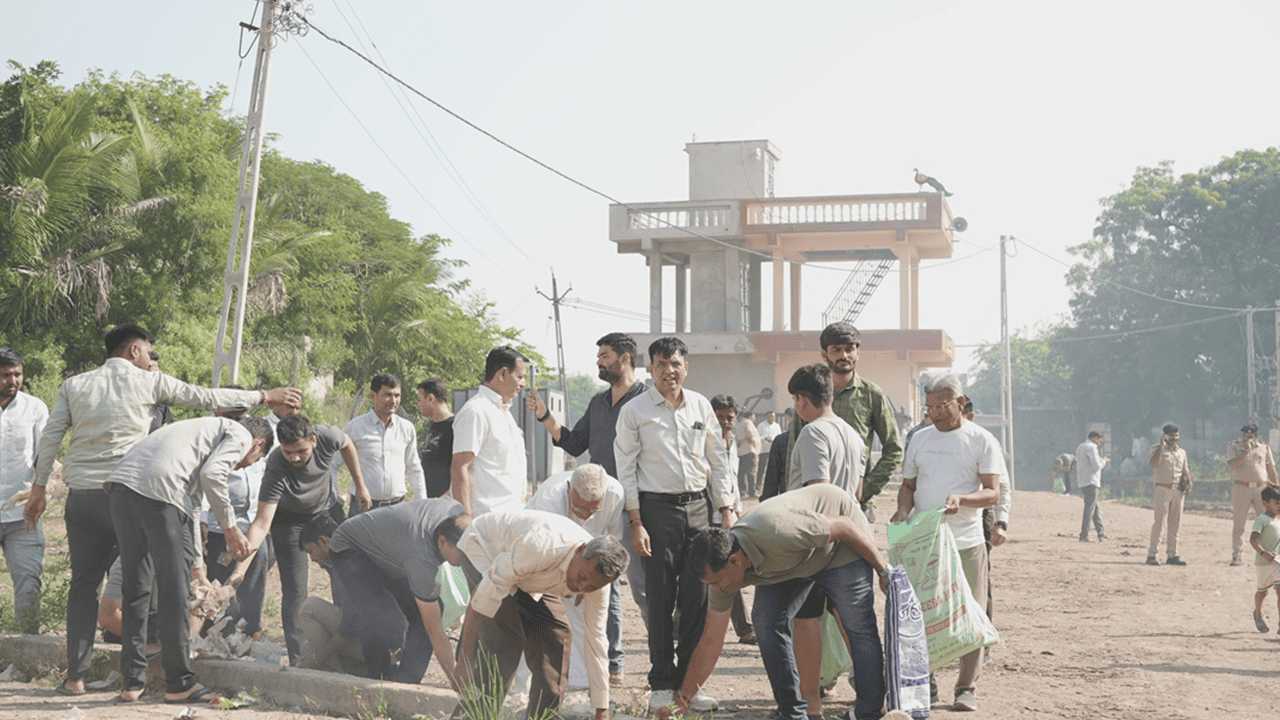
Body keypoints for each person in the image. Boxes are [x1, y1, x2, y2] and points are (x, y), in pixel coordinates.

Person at [25, 323, 299, 696]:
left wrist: (39, 488)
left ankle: (79, 677)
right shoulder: (152, 385)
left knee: (86, 584)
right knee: (164, 585)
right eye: (149, 352)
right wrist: (265, 395)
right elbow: (203, 395)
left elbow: (52, 435)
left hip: (86, 496)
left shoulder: (75, 385)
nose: (151, 359)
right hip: (142, 492)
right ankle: (175, 678)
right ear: (134, 352)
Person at [678, 484, 889, 720]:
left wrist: (883, 571)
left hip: (840, 545)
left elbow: (845, 526)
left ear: (735, 562)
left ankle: (871, 711)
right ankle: (792, 712)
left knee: (857, 623)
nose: (715, 589)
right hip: (795, 560)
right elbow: (711, 640)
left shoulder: (777, 532)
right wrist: (684, 698)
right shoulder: (720, 571)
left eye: (716, 582)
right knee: (766, 621)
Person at [104, 415, 273, 704]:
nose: (243, 465)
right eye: (251, 460)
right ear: (258, 444)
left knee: (136, 590)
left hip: (122, 490)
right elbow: (212, 476)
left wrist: (197, 568)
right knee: (175, 592)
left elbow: (193, 509)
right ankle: (179, 682)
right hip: (159, 496)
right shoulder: (240, 434)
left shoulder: (196, 434)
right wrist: (230, 527)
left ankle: (131, 684)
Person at [614, 336, 735, 713]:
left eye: (676, 363)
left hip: (699, 509)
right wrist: (636, 522)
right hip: (656, 512)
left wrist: (726, 508)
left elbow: (717, 460)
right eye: (662, 363)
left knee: (697, 598)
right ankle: (662, 684)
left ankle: (690, 684)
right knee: (661, 598)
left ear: (687, 367)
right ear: (650, 369)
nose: (670, 370)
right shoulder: (634, 411)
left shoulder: (700, 405)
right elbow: (627, 470)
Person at [440, 510, 627, 720]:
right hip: (485, 549)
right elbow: (480, 599)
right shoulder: (542, 547)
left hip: (530, 573)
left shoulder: (598, 582)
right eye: (582, 577)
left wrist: (601, 709)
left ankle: (542, 717)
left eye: (590, 586)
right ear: (581, 549)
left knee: (557, 635)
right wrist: (465, 658)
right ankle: (472, 716)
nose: (581, 587)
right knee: (506, 637)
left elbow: (596, 640)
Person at [525, 332, 649, 635]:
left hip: (635, 505)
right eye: (598, 357)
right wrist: (544, 415)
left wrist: (637, 520)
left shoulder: (646, 401)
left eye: (604, 356)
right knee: (601, 578)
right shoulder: (598, 402)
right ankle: (612, 659)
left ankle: (663, 659)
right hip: (595, 505)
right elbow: (574, 443)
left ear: (625, 359)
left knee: (643, 588)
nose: (599, 362)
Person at [891, 373, 1001, 712]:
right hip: (924, 542)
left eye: (941, 406)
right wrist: (902, 511)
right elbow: (908, 485)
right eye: (929, 408)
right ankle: (928, 683)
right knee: (921, 615)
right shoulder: (920, 440)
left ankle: (966, 688)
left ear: (961, 403)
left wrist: (962, 500)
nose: (935, 414)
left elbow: (993, 492)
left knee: (971, 614)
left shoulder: (982, 440)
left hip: (966, 543)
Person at [297, 498, 467, 686]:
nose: (466, 559)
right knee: (374, 615)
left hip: (390, 553)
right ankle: (378, 682)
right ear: (442, 542)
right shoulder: (420, 558)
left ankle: (405, 681)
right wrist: (456, 678)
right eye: (461, 555)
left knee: (429, 609)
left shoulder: (457, 515)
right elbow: (433, 629)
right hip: (353, 547)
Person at [244, 413, 371, 664]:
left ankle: (351, 644)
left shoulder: (327, 436)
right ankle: (300, 658)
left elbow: (347, 444)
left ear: (313, 440)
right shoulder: (276, 465)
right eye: (289, 452)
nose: (295, 458)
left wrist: (360, 484)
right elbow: (262, 521)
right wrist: (242, 564)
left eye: (300, 451)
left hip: (324, 510)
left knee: (348, 571)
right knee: (295, 589)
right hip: (288, 520)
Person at [785, 363, 869, 714]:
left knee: (805, 621)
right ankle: (872, 699)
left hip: (818, 543)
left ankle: (812, 703)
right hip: (849, 539)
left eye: (795, 400)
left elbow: (817, 495)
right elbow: (858, 492)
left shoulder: (813, 433)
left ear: (803, 400)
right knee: (855, 627)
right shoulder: (853, 435)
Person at [526, 464, 627, 686]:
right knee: (538, 618)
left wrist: (587, 583)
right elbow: (545, 549)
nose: (585, 515)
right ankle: (523, 687)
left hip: (590, 561)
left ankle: (581, 684)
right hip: (543, 557)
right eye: (579, 508)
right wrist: (572, 583)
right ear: (569, 489)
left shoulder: (615, 493)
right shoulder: (550, 497)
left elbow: (613, 540)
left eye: (593, 510)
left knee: (587, 621)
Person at [791, 322, 902, 521]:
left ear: (858, 352)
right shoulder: (808, 394)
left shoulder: (871, 394)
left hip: (857, 507)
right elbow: (794, 447)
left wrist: (864, 490)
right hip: (813, 505)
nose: (844, 356)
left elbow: (894, 449)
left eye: (850, 349)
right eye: (837, 350)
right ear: (824, 354)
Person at [202, 399, 273, 639]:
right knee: (212, 584)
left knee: (258, 561)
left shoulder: (262, 464)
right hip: (216, 529)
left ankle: (247, 630)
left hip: (249, 532)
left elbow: (261, 516)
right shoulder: (222, 449)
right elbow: (204, 487)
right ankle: (207, 632)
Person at [0, 348, 47, 634]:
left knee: (29, 584)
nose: (13, 381)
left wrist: (40, 492)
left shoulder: (35, 408)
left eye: (17, 374)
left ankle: (25, 651)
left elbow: (45, 456)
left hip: (22, 515)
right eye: (6, 375)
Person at [452, 346, 530, 516]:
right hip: (488, 519)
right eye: (520, 377)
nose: (523, 384)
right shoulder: (476, 411)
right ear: (502, 374)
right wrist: (465, 521)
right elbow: (460, 468)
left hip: (512, 515)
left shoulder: (504, 412)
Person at [341, 373, 427, 515]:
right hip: (364, 508)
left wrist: (422, 502)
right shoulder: (355, 428)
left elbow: (414, 467)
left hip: (397, 508)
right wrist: (333, 502)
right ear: (373, 396)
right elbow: (334, 463)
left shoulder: (406, 428)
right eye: (388, 395)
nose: (393, 400)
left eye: (397, 395)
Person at [709, 395, 756, 645]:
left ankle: (744, 627)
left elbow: (733, 481)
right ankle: (745, 627)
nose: (725, 422)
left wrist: (737, 510)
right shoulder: (707, 441)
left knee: (729, 566)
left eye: (729, 417)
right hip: (712, 513)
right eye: (720, 417)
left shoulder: (732, 442)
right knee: (722, 567)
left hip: (730, 515)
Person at [1228, 423, 1277, 566]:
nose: (1246, 439)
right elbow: (1232, 465)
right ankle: (1237, 555)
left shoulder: (1264, 448)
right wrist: (1245, 452)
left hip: (1261, 489)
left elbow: (1271, 468)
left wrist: (1277, 487)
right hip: (1241, 488)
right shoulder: (1234, 446)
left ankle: (1269, 553)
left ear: (1256, 436)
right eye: (1244, 435)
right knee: (1239, 524)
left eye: (1249, 436)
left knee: (1267, 523)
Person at [1147, 423, 1191, 566]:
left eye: (1176, 436)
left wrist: (1189, 482)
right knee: (1159, 523)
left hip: (1178, 490)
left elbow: (1185, 470)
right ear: (1165, 435)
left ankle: (1172, 555)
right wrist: (1161, 445)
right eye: (1171, 436)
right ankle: (1152, 555)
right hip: (1162, 489)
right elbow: (1154, 464)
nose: (1174, 438)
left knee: (1175, 525)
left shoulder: (1182, 452)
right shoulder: (1156, 449)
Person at [1248, 484, 1280, 632]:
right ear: (1265, 504)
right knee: (1263, 591)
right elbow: (1253, 540)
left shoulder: (1278, 521)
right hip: (1263, 563)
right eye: (1277, 503)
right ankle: (1259, 614)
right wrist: (1263, 553)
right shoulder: (1262, 520)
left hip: (1277, 562)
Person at [417, 378, 455, 498]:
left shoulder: (456, 426)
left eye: (420, 400)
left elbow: (466, 467)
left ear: (430, 398)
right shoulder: (432, 425)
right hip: (429, 501)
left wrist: (449, 494)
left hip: (447, 504)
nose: (418, 405)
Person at [1075, 431, 1109, 542]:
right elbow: (1096, 466)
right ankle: (1084, 535)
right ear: (1095, 438)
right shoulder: (1091, 447)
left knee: (1095, 508)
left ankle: (1101, 532)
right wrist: (1104, 461)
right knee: (1089, 510)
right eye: (1099, 440)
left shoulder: (1081, 447)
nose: (1100, 443)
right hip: (1091, 481)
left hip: (1083, 481)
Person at [734, 410, 761, 498]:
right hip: (749, 450)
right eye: (753, 417)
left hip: (741, 451)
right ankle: (752, 492)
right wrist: (753, 442)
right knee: (751, 472)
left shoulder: (740, 423)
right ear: (750, 416)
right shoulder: (748, 422)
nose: (754, 419)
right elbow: (749, 433)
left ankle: (742, 491)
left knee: (741, 473)